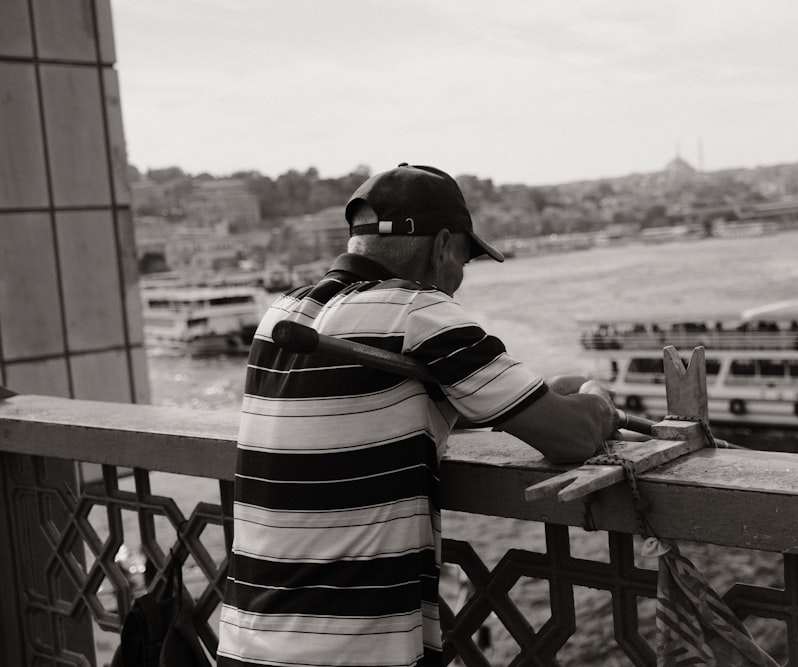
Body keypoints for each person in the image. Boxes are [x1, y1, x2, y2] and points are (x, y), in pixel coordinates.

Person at [217, 163, 619, 667]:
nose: (457, 282)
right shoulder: (418, 312)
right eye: (464, 261)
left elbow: (361, 411)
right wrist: (596, 399)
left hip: (246, 643)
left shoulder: (282, 314)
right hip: (349, 652)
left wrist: (535, 395)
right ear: (443, 245)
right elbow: (575, 438)